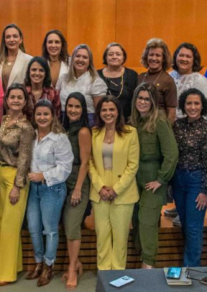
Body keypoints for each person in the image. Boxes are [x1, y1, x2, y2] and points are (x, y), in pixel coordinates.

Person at [130, 84, 178, 269]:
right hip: (134, 179)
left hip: (153, 179)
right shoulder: (132, 121)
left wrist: (161, 179)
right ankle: (141, 257)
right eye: (139, 98)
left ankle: (148, 264)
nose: (142, 102)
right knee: (136, 220)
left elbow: (171, 153)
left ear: (153, 102)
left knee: (147, 221)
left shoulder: (159, 121)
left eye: (146, 99)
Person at [26, 99, 73, 286]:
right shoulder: (31, 136)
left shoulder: (60, 138)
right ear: (34, 116)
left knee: (50, 230)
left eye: (46, 114)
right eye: (39, 114)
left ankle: (48, 265)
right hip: (32, 189)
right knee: (33, 228)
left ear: (52, 116)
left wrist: (43, 175)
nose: (42, 117)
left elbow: (65, 167)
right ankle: (38, 262)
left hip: (52, 188)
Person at [89, 96, 139, 270]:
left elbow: (133, 165)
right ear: (99, 113)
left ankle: (117, 275)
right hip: (99, 191)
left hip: (123, 192)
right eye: (104, 110)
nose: (108, 113)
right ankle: (103, 273)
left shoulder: (130, 132)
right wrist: (100, 187)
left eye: (112, 109)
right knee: (102, 237)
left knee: (120, 239)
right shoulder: (94, 132)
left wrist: (116, 190)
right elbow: (90, 163)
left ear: (118, 112)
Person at [173, 88, 207, 266]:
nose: (192, 107)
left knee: (193, 227)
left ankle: (192, 268)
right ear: (183, 105)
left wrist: (206, 190)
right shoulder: (177, 125)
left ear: (203, 106)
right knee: (184, 224)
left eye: (196, 103)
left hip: (197, 182)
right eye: (189, 103)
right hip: (178, 180)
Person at [0, 84, 35, 285]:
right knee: (4, 224)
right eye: (13, 97)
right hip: (1, 173)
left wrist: (17, 186)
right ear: (7, 100)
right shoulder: (4, 121)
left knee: (10, 227)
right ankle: (15, 265)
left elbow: (25, 159)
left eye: (20, 97)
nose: (16, 100)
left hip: (15, 178)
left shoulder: (26, 128)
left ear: (25, 101)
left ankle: (6, 274)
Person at [61, 92, 91, 288]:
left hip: (78, 181)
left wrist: (78, 188)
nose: (73, 110)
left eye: (77, 107)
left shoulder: (83, 132)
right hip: (62, 180)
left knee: (72, 226)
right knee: (65, 224)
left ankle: (72, 268)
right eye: (70, 106)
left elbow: (86, 162)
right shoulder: (63, 129)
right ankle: (77, 262)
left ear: (83, 110)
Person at [58, 44, 108, 125]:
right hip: (64, 123)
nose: (80, 59)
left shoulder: (96, 82)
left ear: (89, 61)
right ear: (72, 59)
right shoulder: (63, 79)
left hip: (87, 124)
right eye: (77, 56)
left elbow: (100, 112)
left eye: (85, 57)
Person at [137, 38, 179, 121]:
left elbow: (171, 112)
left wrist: (166, 130)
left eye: (158, 55)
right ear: (146, 56)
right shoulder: (140, 77)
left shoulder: (168, 80)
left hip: (158, 126)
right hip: (139, 123)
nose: (154, 58)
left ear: (163, 58)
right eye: (151, 55)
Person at [98, 43, 139, 120]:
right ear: (105, 57)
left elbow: (136, 101)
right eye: (110, 54)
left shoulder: (132, 75)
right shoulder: (97, 75)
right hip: (103, 121)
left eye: (118, 54)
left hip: (127, 121)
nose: (114, 57)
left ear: (123, 57)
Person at [170, 43, 207, 119]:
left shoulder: (201, 81)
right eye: (181, 55)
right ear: (176, 57)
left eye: (188, 56)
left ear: (194, 60)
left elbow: (204, 111)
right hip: (167, 124)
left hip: (189, 126)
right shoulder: (169, 76)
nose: (184, 59)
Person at [0, 24, 33, 90]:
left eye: (15, 36)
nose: (11, 39)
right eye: (8, 37)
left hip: (17, 99)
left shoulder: (28, 60)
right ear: (4, 40)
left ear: (20, 40)